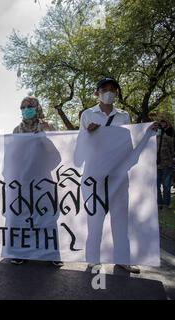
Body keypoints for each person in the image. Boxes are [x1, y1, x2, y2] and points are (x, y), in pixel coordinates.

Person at [79, 77, 140, 274]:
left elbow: (128, 146)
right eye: (104, 89)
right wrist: (88, 134)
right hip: (94, 175)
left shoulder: (124, 116)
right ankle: (93, 259)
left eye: (112, 89)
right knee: (95, 218)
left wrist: (148, 133)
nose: (109, 92)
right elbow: (79, 148)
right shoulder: (87, 115)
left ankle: (123, 259)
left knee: (120, 216)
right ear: (96, 93)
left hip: (117, 175)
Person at [10, 96, 63, 267]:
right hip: (23, 179)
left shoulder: (48, 127)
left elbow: (58, 152)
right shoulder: (17, 131)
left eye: (29, 106)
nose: (26, 109)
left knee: (47, 215)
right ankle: (20, 252)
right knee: (23, 215)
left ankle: (51, 252)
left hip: (43, 178)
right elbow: (13, 156)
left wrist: (43, 137)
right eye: (23, 107)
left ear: (37, 107)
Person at [156, 119, 174, 209]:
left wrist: (172, 162)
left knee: (166, 186)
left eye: (164, 123)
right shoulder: (154, 138)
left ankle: (166, 204)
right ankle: (160, 203)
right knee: (156, 185)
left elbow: (172, 150)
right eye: (161, 123)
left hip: (167, 165)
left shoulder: (169, 137)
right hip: (156, 165)